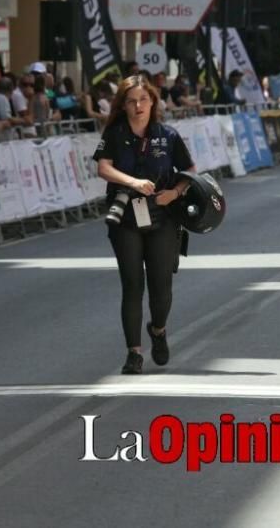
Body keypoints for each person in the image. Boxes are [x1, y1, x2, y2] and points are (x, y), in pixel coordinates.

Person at [93, 75, 195, 375]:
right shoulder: (114, 133)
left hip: (162, 216)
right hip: (125, 216)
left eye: (143, 100)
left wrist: (174, 193)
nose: (138, 106)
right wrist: (133, 181)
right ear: (123, 105)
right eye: (131, 101)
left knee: (161, 286)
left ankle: (158, 329)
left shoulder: (168, 135)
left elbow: (189, 171)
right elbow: (103, 167)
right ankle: (134, 353)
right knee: (132, 284)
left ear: (153, 102)